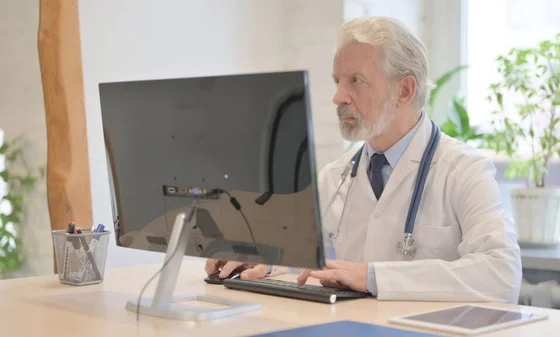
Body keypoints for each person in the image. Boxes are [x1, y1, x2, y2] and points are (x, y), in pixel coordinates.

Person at [205, 16, 522, 303]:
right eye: (337, 81)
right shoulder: (337, 176)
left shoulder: (464, 171)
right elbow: (304, 255)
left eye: (355, 80)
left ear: (405, 90)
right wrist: (264, 259)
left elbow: (502, 273)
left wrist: (373, 277)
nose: (338, 97)